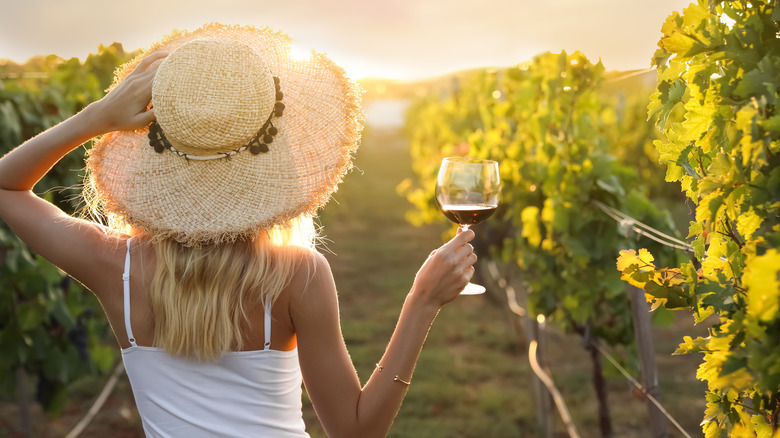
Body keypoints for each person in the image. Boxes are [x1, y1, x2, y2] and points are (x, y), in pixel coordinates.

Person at [0, 24, 477, 437]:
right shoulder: (296, 276)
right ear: (275, 155)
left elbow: (7, 187)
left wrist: (98, 117)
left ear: (156, 148)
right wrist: (422, 301)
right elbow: (355, 431)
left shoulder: (114, 267)